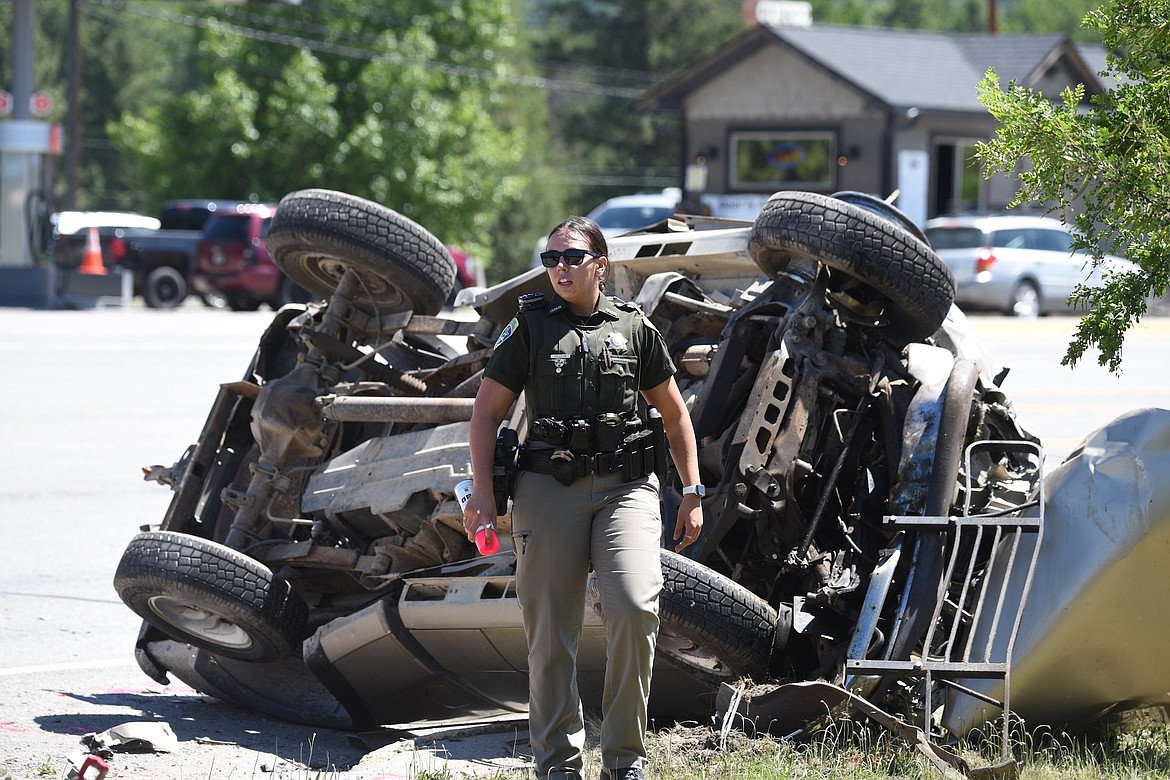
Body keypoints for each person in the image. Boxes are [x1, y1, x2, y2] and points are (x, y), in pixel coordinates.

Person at [462, 216, 704, 780]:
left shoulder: (634, 328)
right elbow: (486, 413)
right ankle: (557, 764)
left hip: (628, 489)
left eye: (571, 258)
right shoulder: (530, 327)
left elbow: (673, 413)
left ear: (601, 265)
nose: (559, 269)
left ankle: (623, 761)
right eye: (550, 260)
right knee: (550, 631)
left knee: (636, 607)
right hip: (548, 489)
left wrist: (692, 491)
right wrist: (481, 490)